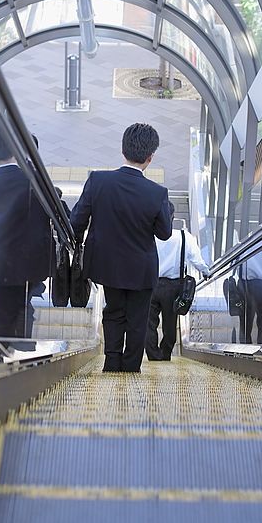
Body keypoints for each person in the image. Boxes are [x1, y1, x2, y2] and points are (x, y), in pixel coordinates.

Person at [70, 122, 173, 373]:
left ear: (123, 150)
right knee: (138, 319)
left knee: (113, 311)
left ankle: (111, 362)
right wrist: (167, 210)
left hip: (107, 265)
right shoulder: (157, 193)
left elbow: (76, 221)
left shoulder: (98, 180)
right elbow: (164, 232)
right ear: (150, 157)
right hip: (141, 268)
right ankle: (131, 368)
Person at [0, 124, 54, 338]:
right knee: (25, 308)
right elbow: (60, 214)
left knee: (2, 315)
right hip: (31, 266)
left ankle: (5, 354)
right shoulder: (36, 182)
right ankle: (22, 348)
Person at [145, 202, 210, 361]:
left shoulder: (148, 234)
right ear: (172, 217)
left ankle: (153, 355)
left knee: (149, 323)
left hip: (150, 284)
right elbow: (197, 259)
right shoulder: (184, 237)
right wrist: (206, 272)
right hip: (173, 287)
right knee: (170, 324)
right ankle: (165, 353)